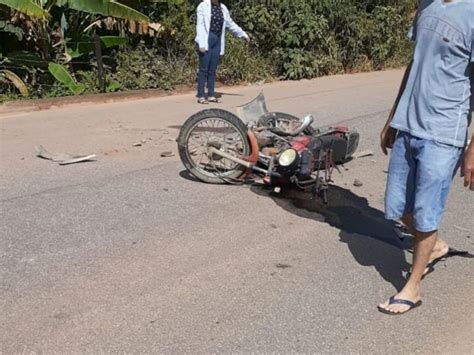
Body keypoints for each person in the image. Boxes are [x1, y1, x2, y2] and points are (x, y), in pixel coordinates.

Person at [378, 0, 473, 315]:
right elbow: (413, 64)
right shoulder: (425, 6)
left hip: (444, 132)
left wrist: (473, 148)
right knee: (396, 207)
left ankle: (413, 287)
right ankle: (436, 246)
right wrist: (393, 117)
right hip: (408, 125)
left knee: (425, 211)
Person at [195, 0, 250, 104]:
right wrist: (201, 43)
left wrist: (243, 34)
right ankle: (201, 95)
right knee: (204, 69)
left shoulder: (223, 8)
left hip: (217, 39)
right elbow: (200, 25)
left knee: (212, 69)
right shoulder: (203, 6)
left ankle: (211, 95)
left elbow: (230, 24)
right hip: (206, 39)